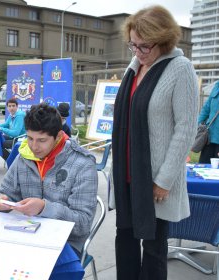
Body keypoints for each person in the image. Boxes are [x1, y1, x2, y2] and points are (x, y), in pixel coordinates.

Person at [112, 6, 198, 280]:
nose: (137, 52)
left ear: (163, 41)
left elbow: (185, 129)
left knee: (153, 248)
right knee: (124, 241)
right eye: (133, 45)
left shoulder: (180, 69)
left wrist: (164, 180)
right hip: (126, 174)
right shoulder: (134, 67)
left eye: (144, 46)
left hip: (154, 181)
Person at [0, 103, 98, 256]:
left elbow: (83, 225)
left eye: (42, 140)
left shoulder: (83, 164)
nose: (34, 146)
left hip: (66, 243)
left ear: (58, 136)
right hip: (26, 235)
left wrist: (44, 208)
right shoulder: (23, 157)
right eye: (30, 138)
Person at [197, 81, 219, 163]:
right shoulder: (216, 86)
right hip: (209, 138)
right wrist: (196, 126)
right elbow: (206, 108)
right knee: (202, 168)